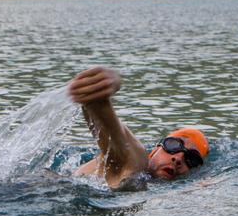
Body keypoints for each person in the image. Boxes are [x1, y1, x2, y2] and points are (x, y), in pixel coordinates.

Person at [67, 66, 209, 190]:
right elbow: (113, 131)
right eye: (173, 145)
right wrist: (104, 85)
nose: (178, 158)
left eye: (192, 159)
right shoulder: (137, 160)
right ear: (155, 149)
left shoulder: (148, 184)